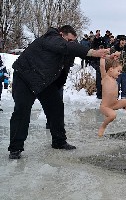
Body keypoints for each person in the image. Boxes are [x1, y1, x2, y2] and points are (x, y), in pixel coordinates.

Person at [8, 25, 109, 159]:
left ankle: (59, 141)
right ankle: (15, 148)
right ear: (61, 35)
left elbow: (80, 55)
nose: (71, 43)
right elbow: (65, 46)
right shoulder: (50, 38)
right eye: (69, 40)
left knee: (56, 107)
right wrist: (93, 52)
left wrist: (105, 57)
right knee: (22, 111)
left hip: (44, 81)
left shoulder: (66, 47)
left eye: (73, 41)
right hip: (25, 77)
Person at [98, 55, 126, 137]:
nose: (120, 73)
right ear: (110, 70)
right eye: (118, 71)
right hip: (105, 106)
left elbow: (113, 64)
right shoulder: (105, 78)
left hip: (114, 103)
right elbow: (102, 66)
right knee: (113, 115)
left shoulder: (114, 79)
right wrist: (103, 57)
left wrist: (114, 59)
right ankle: (103, 127)